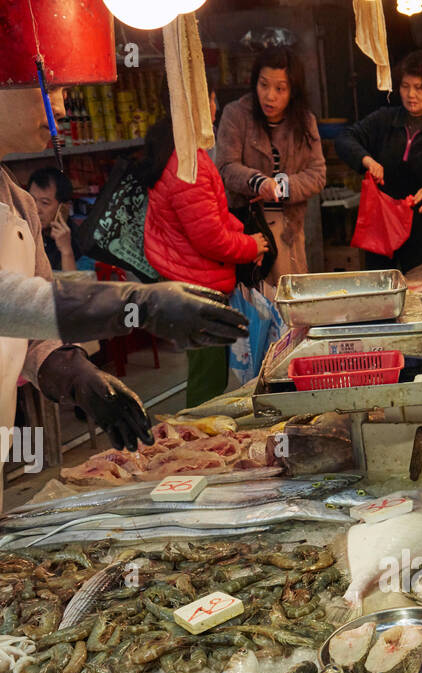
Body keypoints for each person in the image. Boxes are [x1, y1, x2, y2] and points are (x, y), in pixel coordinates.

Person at [0, 83, 248, 502]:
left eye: (62, 90)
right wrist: (139, 304)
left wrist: (76, 374)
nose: (59, 106)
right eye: (46, 86)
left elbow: (34, 329)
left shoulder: (19, 204)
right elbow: (8, 302)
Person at [141, 91, 269, 406]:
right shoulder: (187, 163)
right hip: (196, 288)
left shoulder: (182, 150)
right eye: (208, 98)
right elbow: (209, 237)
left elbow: (209, 213)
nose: (215, 106)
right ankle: (196, 443)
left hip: (188, 278)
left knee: (208, 368)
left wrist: (241, 231)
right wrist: (251, 245)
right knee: (207, 378)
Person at [336, 52, 422, 274]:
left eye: (419, 87)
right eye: (405, 86)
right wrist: (367, 160)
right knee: (379, 290)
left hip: (420, 229)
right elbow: (344, 139)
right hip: (380, 227)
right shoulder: (383, 120)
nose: (411, 94)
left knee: (421, 290)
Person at [215, 46, 326, 285]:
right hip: (246, 229)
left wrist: (280, 186)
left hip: (289, 229)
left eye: (280, 89)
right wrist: (258, 183)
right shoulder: (236, 114)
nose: (270, 96)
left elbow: (317, 175)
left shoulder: (305, 121)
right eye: (263, 85)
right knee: (256, 302)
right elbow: (225, 166)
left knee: (291, 303)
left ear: (293, 91)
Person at [26, 166, 80, 272]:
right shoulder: (24, 232)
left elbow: (74, 287)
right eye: (31, 200)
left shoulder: (80, 242)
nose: (36, 209)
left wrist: (66, 251)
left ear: (64, 208)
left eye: (45, 203)